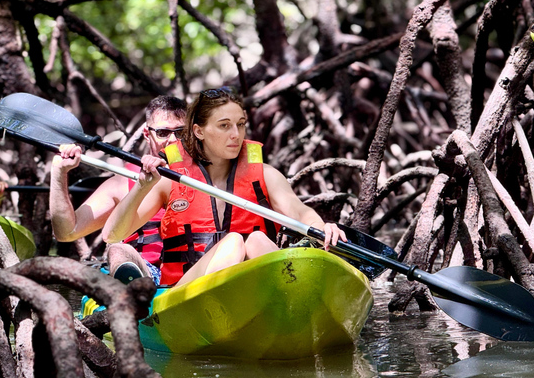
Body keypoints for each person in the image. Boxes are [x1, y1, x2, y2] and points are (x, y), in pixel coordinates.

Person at [102, 87, 347, 288]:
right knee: (233, 242)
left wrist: (321, 227)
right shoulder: (171, 178)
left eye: (240, 124)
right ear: (198, 131)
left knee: (257, 239)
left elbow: (300, 212)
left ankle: (293, 300)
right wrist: (142, 187)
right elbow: (113, 235)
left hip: (254, 288)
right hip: (185, 295)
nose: (235, 134)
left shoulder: (265, 174)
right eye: (224, 125)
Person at [50, 95, 187, 284]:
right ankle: (133, 295)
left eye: (180, 132)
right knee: (117, 250)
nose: (173, 140)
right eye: (163, 132)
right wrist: (59, 172)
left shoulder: (208, 175)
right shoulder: (122, 182)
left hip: (191, 277)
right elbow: (66, 232)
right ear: (147, 134)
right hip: (145, 280)